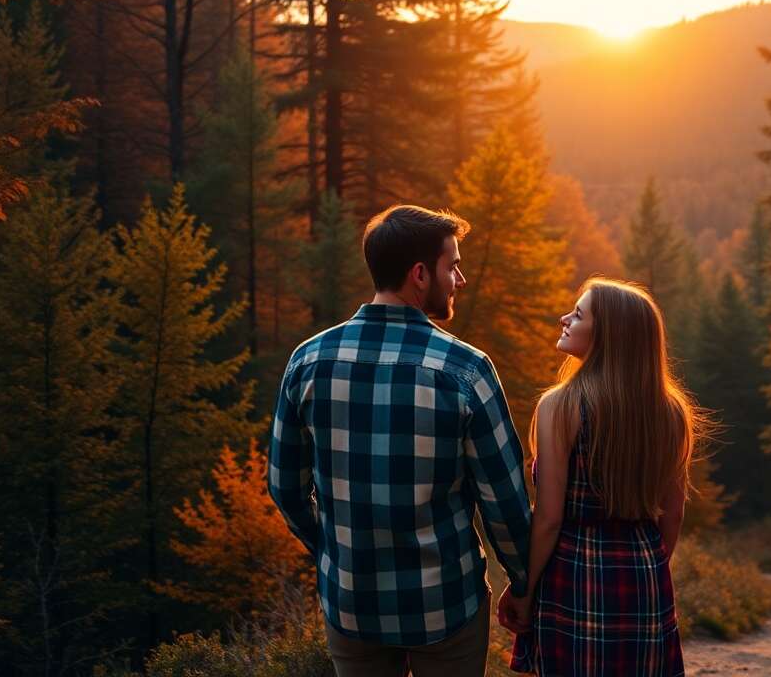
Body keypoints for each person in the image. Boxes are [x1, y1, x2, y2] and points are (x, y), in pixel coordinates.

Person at [269, 204, 533, 677]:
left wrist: (332, 550)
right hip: (445, 605)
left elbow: (285, 487)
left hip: (351, 604)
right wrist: (523, 582)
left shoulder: (307, 362)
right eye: (452, 265)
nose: (460, 279)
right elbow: (505, 502)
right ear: (419, 274)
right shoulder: (466, 370)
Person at [507, 277, 696, 676]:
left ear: (608, 333)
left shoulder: (560, 406)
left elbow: (549, 518)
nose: (564, 318)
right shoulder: (671, 412)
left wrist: (524, 591)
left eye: (577, 314)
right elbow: (673, 515)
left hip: (574, 572)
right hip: (644, 573)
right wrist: (647, 567)